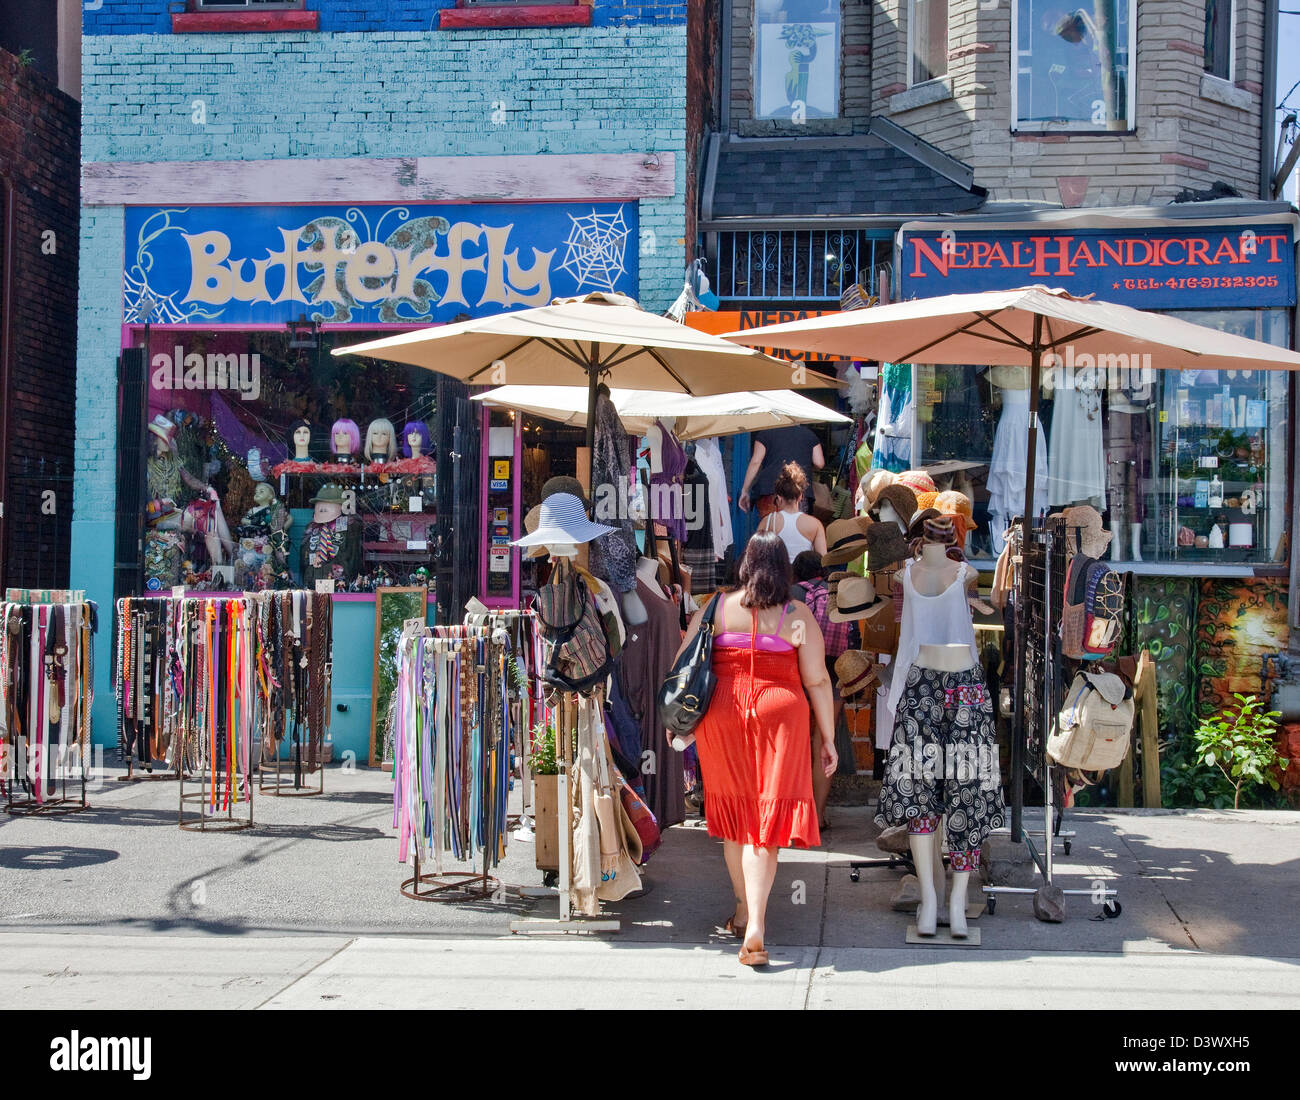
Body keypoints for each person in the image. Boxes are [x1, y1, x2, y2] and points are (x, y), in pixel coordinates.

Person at [675, 531, 837, 967]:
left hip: (723, 716)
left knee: (734, 818)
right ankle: (755, 927)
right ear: (783, 568)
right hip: (780, 713)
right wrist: (829, 737)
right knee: (764, 821)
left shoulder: (715, 607)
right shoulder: (797, 614)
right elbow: (818, 680)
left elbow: (684, 661)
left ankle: (745, 909)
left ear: (745, 565)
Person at [787, 549, 850, 830]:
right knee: (824, 741)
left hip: (797, 673)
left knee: (794, 742)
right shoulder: (835, 593)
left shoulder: (791, 594)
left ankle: (794, 815)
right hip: (835, 672)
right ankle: (818, 815)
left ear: (796, 572)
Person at [738, 424, 825, 517]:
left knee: (770, 528)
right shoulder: (809, 435)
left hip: (770, 490)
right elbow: (819, 463)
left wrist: (745, 490)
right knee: (797, 528)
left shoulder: (765, 433)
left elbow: (756, 462)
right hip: (797, 492)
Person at [757, 462, 827, 563]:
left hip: (776, 577)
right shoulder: (815, 525)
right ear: (800, 496)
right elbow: (823, 561)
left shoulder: (767, 522)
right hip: (803, 577)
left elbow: (756, 555)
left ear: (779, 497)